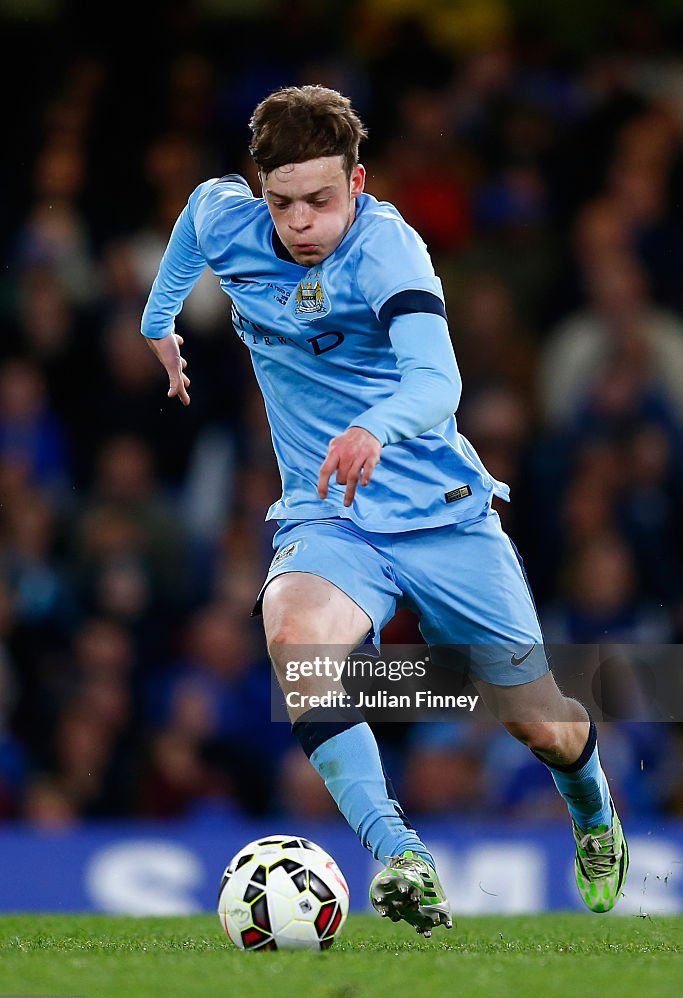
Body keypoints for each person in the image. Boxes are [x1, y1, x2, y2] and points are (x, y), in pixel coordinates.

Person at [141, 85, 628, 935]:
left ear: (357, 183)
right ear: (259, 190)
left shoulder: (388, 251)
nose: (300, 222)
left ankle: (590, 809)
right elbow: (193, 223)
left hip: (442, 514)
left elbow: (439, 381)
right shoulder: (231, 218)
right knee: (297, 642)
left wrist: (374, 424)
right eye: (281, 202)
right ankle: (398, 853)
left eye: (321, 201)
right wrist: (159, 319)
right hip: (330, 515)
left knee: (537, 721)